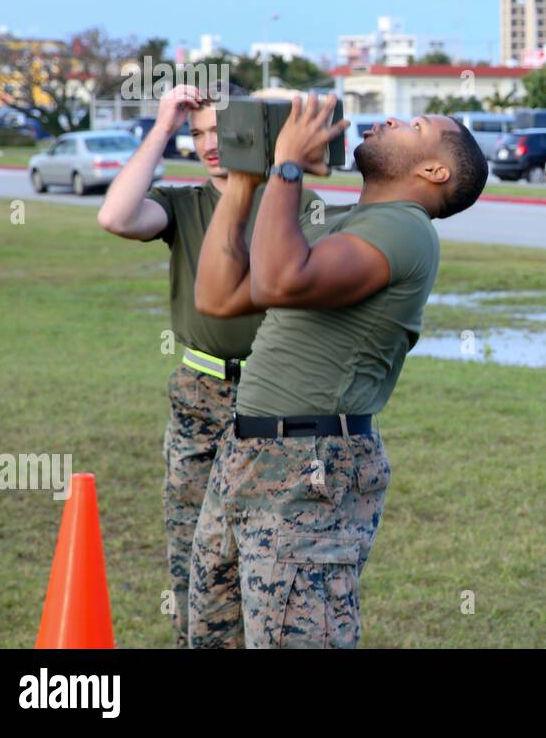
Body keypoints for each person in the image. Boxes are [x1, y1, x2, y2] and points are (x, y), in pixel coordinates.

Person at [189, 99, 487, 648]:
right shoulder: (348, 223)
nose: (393, 120)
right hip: (251, 458)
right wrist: (243, 184)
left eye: (416, 126)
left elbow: (279, 280)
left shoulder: (405, 230)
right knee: (213, 637)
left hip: (309, 470)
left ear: (434, 172)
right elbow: (217, 295)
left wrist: (286, 169)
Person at [96, 82, 321, 648]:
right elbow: (117, 216)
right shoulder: (186, 204)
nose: (210, 145)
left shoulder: (293, 204)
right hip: (202, 394)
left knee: (275, 555)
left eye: (223, 131)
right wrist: (163, 124)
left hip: (279, 397)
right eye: (198, 135)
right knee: (195, 556)